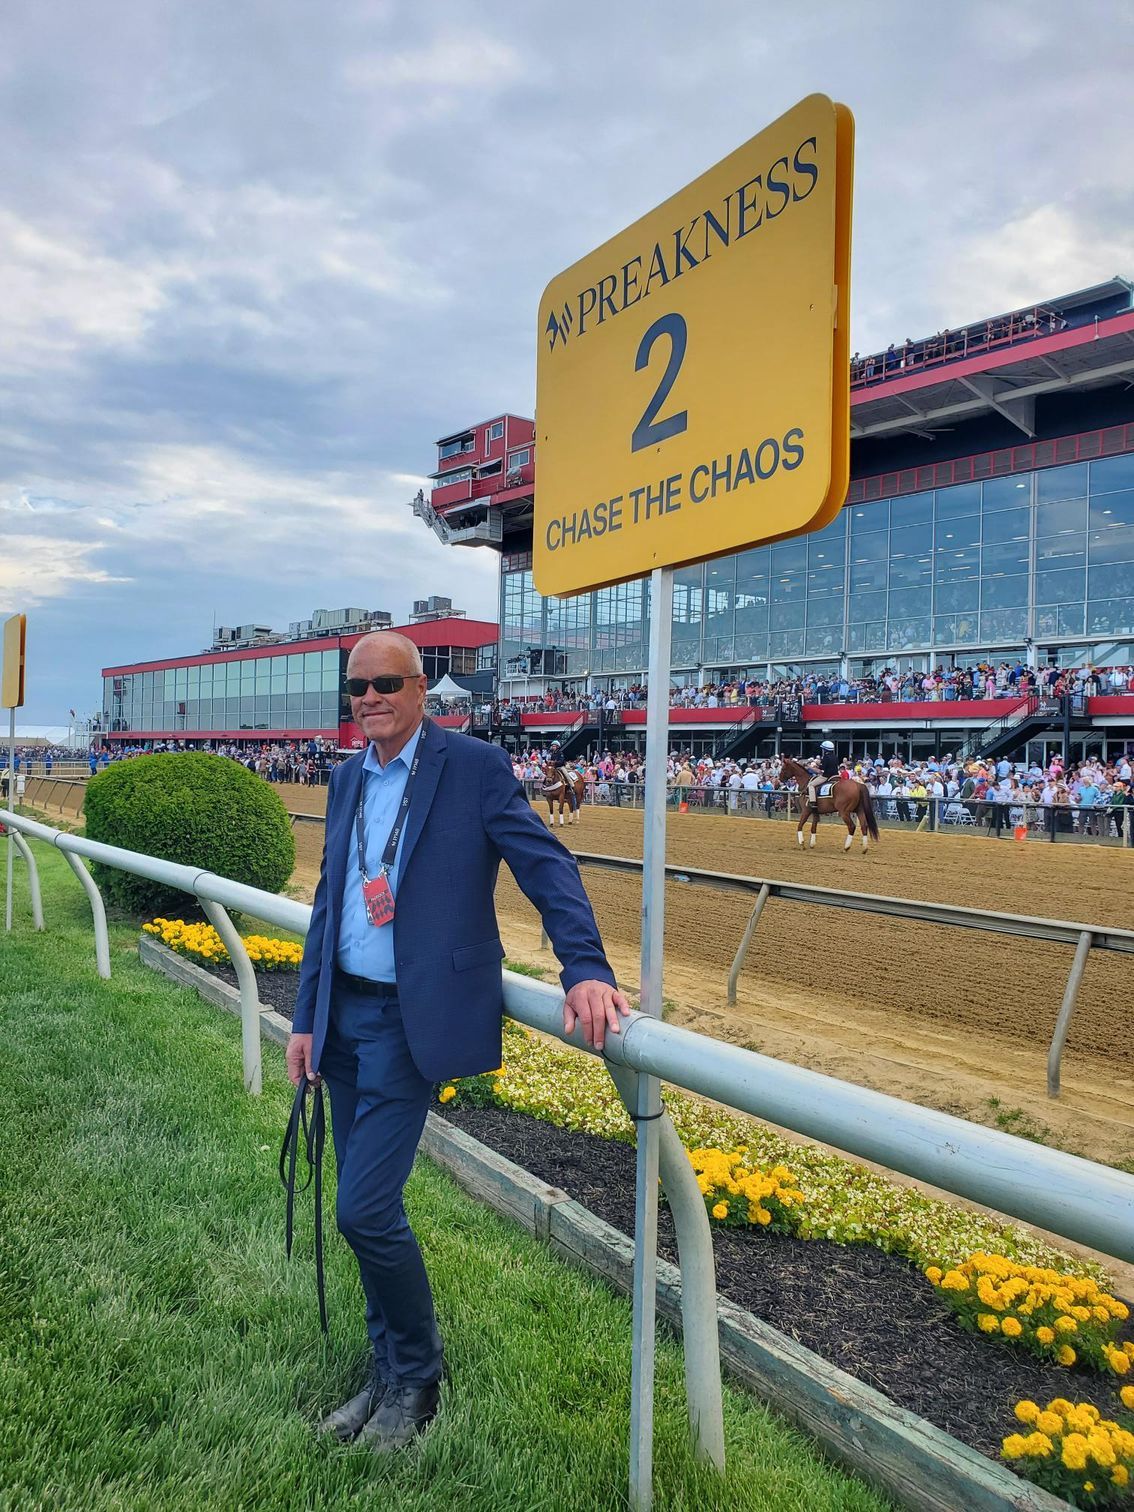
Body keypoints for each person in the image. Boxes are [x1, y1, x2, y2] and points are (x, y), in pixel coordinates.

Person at [287, 633, 628, 1452]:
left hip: (416, 1020)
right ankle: (385, 1372)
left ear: (419, 691)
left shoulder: (472, 767)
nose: (368, 698)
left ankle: (418, 1378)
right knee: (367, 1213)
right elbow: (332, 905)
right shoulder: (344, 779)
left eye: (385, 684)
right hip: (341, 1019)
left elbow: (545, 864)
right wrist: (303, 1018)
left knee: (363, 1209)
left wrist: (584, 965)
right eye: (356, 687)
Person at [805, 740, 840, 813]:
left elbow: (821, 770)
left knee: (811, 785)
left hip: (827, 776)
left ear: (825, 749)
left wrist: (809, 767)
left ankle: (813, 802)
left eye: (823, 749)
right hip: (836, 776)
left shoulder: (826, 757)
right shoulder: (835, 757)